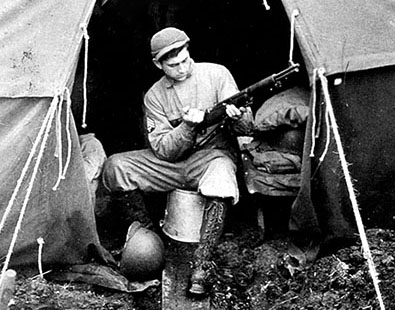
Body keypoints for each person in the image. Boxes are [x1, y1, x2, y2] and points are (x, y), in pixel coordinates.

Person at [101, 27, 252, 295]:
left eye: (185, 59)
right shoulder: (155, 96)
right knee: (117, 166)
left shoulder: (217, 74)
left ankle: (202, 265)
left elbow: (247, 128)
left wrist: (237, 116)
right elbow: (163, 150)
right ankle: (149, 239)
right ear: (158, 65)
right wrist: (186, 126)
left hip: (211, 157)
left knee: (221, 175)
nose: (182, 68)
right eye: (173, 65)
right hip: (170, 164)